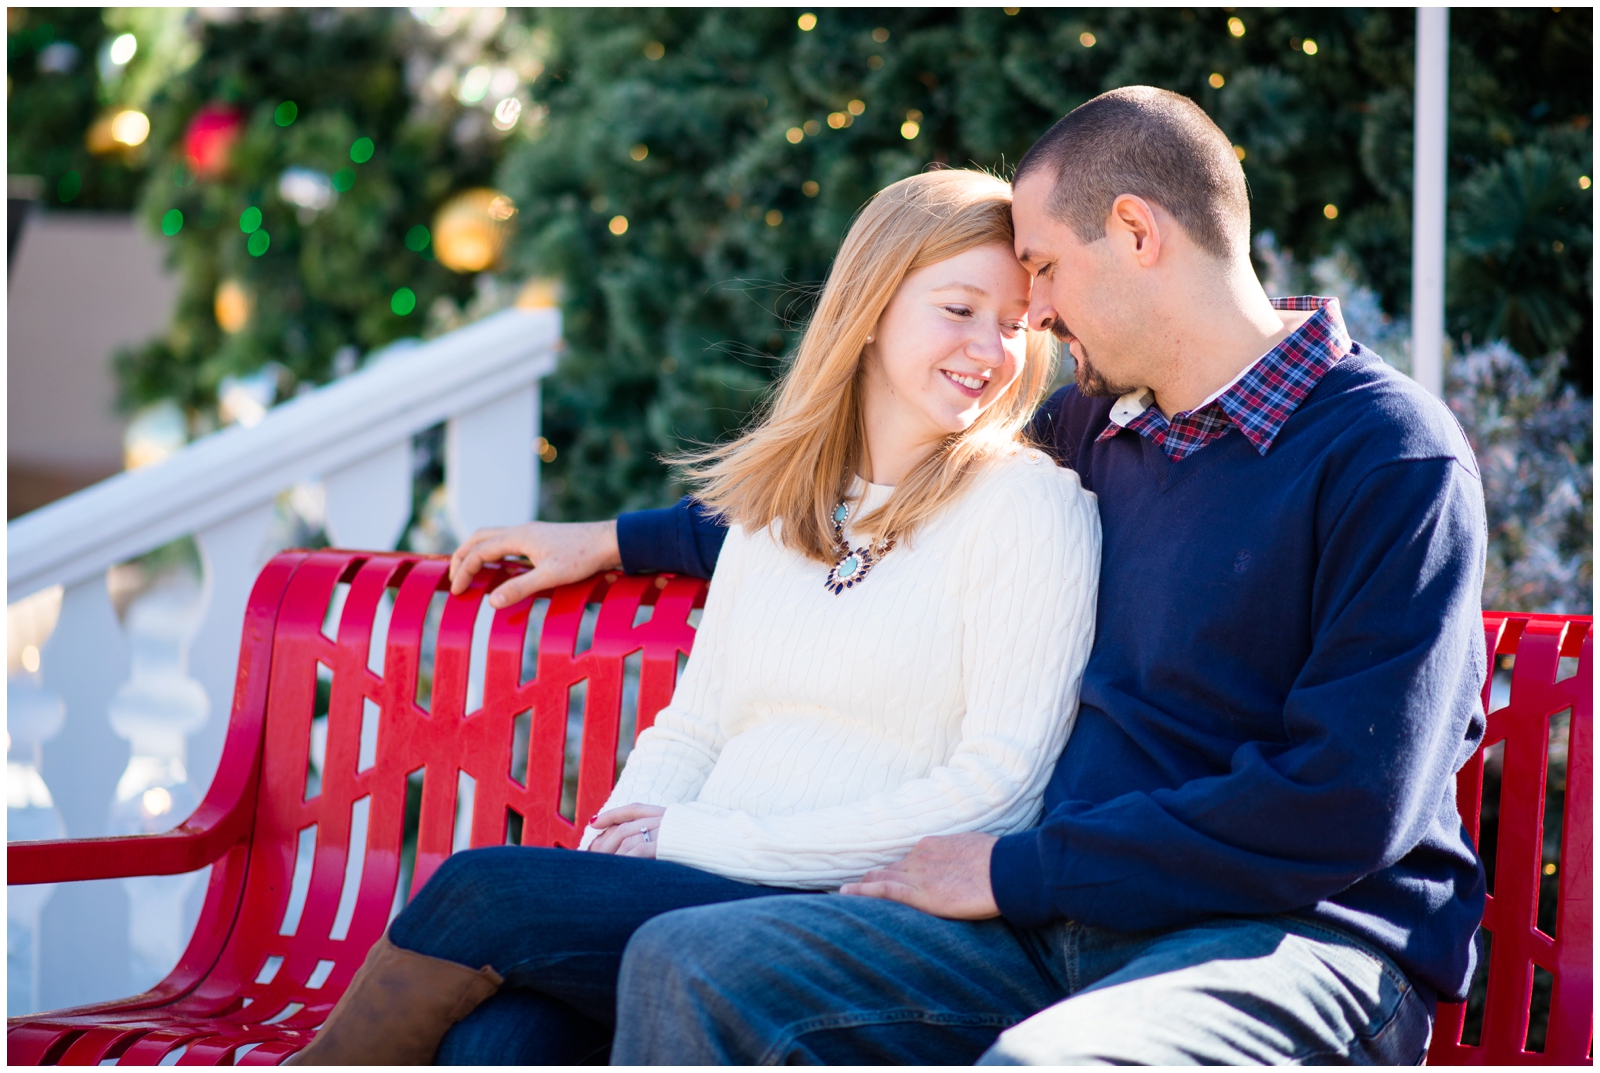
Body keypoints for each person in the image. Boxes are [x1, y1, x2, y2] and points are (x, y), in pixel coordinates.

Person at [470, 86, 1489, 1065]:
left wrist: (1014, 866)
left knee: (1047, 1063)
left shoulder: (1387, 457)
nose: (1032, 314)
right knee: (696, 963)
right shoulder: (1101, 426)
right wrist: (620, 537)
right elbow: (878, 495)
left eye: (1042, 267)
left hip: (1287, 943)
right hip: (1057, 927)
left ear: (1136, 232)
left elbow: (1346, 804)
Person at [288, 168, 1100, 1066]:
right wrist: (624, 839)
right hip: (692, 883)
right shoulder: (776, 510)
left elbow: (1001, 788)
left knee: (482, 892)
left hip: (851, 911)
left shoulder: (1026, 507)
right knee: (503, 1034)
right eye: (959, 309)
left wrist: (696, 836)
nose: (992, 348)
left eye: (1018, 326)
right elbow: (698, 723)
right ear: (871, 304)